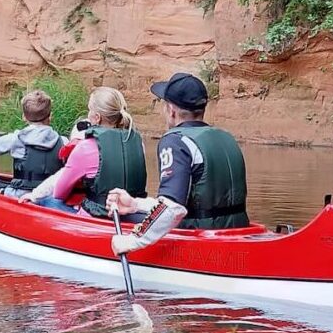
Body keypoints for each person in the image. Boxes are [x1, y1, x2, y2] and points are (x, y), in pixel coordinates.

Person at [106, 71, 248, 255]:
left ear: (171, 110)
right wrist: (136, 204)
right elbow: (191, 205)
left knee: (127, 222)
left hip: (203, 244)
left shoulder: (175, 141)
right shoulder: (227, 138)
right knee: (137, 213)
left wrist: (133, 240)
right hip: (238, 235)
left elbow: (173, 208)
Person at [26, 86, 147, 220]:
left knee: (47, 200)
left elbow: (59, 193)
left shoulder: (85, 147)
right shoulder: (138, 143)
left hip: (97, 218)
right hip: (131, 216)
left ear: (97, 117)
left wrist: (34, 196)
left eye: (89, 110)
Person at [0, 89, 64, 196]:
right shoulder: (63, 142)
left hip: (19, 195)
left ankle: (2, 192)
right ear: (50, 116)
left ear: (24, 117)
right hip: (52, 195)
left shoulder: (16, 139)